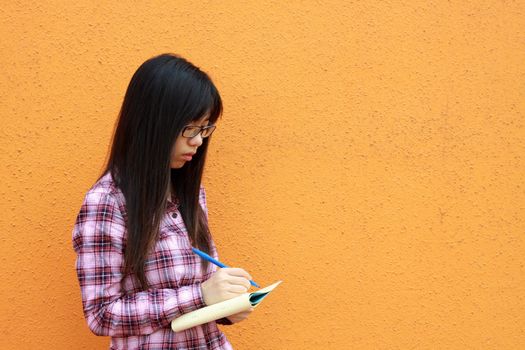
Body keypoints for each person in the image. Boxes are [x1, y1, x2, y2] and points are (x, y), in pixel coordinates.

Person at [72, 53, 254, 349]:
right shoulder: (107, 202)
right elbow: (101, 315)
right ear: (154, 123)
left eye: (205, 128)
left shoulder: (189, 193)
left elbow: (203, 287)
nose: (198, 140)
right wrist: (201, 295)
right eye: (190, 128)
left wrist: (227, 305)